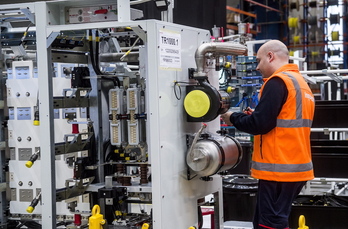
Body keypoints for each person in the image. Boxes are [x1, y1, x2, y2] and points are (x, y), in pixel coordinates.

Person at [221, 40, 315, 229]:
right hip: (294, 167)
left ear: (270, 56)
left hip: (278, 169)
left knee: (270, 225)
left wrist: (232, 117)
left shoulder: (277, 82)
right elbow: (279, 121)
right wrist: (256, 115)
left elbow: (259, 124)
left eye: (259, 61)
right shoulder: (300, 84)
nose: (256, 67)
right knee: (269, 221)